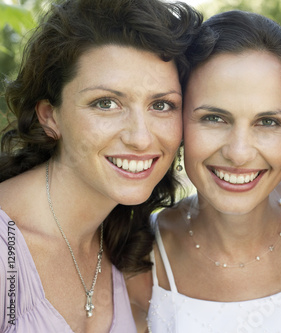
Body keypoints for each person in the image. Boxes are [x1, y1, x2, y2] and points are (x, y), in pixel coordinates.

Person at [127, 10, 281, 333]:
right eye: (214, 118)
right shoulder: (140, 258)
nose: (239, 153)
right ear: (178, 124)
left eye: (267, 122)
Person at [0, 0, 202, 331]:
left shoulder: (128, 244)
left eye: (162, 105)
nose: (140, 138)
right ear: (50, 116)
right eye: (106, 103)